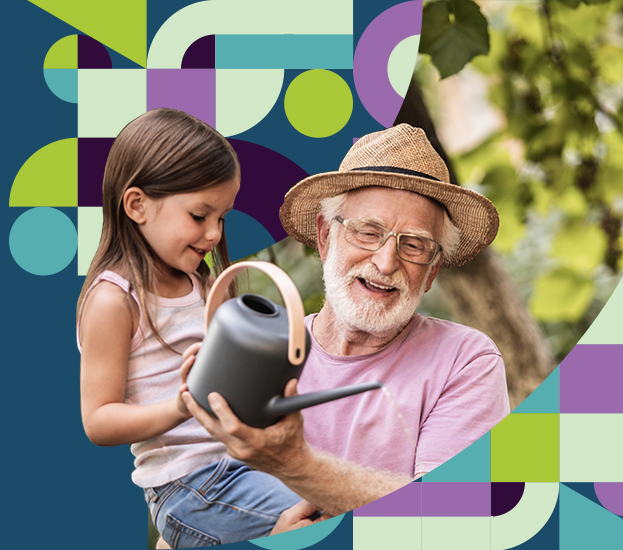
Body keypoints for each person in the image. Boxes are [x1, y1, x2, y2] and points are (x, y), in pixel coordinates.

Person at [182, 123, 511, 528]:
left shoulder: (466, 360)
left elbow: (454, 519)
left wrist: (295, 464)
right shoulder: (260, 353)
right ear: (324, 238)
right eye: (368, 232)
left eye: (413, 245)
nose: (386, 262)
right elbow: (186, 519)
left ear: (431, 271)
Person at [76, 108, 302, 548]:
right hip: (188, 486)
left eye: (222, 217)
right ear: (137, 205)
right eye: (200, 216)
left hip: (239, 464)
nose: (215, 233)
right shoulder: (114, 299)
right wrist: (181, 407)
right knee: (314, 513)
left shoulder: (201, 282)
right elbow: (98, 421)